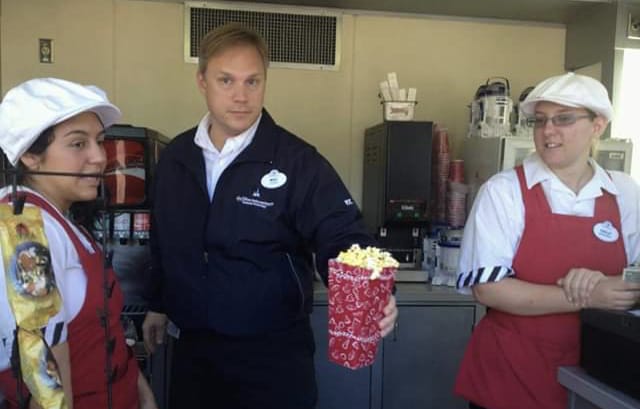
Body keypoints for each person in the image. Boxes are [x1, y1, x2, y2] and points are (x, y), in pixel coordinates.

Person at [142, 22, 398, 409]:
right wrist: (158, 304)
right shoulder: (177, 158)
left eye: (253, 82)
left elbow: (343, 234)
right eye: (226, 81)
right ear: (201, 81)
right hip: (195, 351)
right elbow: (164, 239)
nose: (241, 96)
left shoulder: (298, 161)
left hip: (273, 355)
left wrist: (374, 286)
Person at [454, 71, 640, 409]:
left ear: (597, 125)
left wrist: (617, 288)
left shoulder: (624, 192)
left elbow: (635, 277)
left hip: (599, 377)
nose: (548, 131)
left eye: (563, 119)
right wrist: (589, 295)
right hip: (511, 377)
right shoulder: (504, 191)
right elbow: (488, 288)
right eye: (540, 121)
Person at [0, 78, 157, 409]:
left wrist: (141, 390)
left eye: (99, 141)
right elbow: (45, 382)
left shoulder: (61, 220)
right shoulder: (25, 236)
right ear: (29, 154)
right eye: (77, 144)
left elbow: (102, 331)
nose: (99, 157)